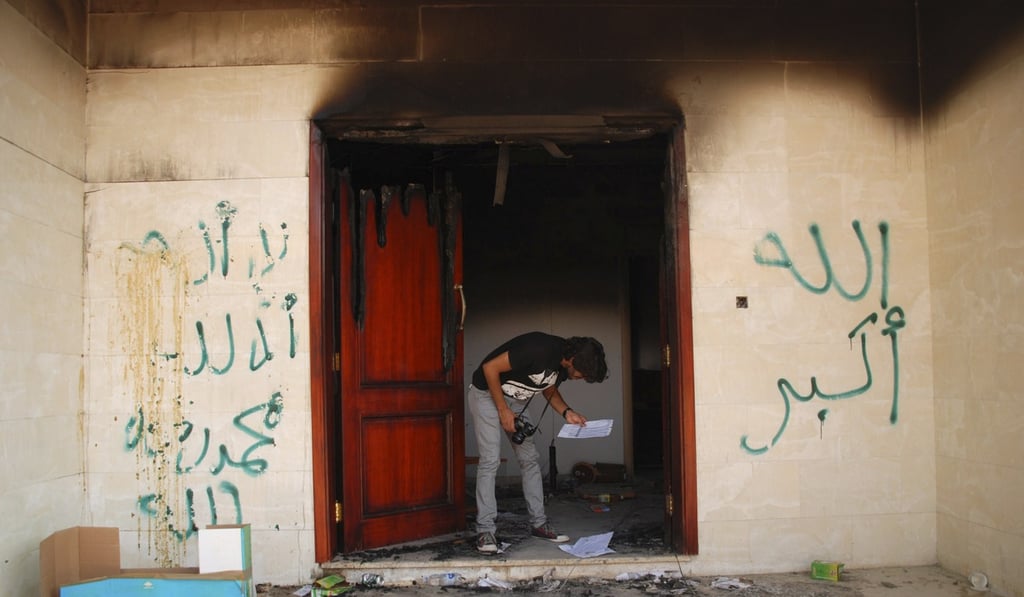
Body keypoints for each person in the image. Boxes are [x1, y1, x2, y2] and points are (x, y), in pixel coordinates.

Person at [468, 331, 608, 553]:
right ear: (573, 360)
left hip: (516, 400)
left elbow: (547, 387)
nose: (581, 378)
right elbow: (489, 368)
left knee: (530, 459)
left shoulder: (562, 367)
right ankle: (485, 531)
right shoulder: (539, 348)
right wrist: (503, 410)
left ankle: (539, 524)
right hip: (486, 393)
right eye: (582, 374)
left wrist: (567, 412)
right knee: (490, 460)